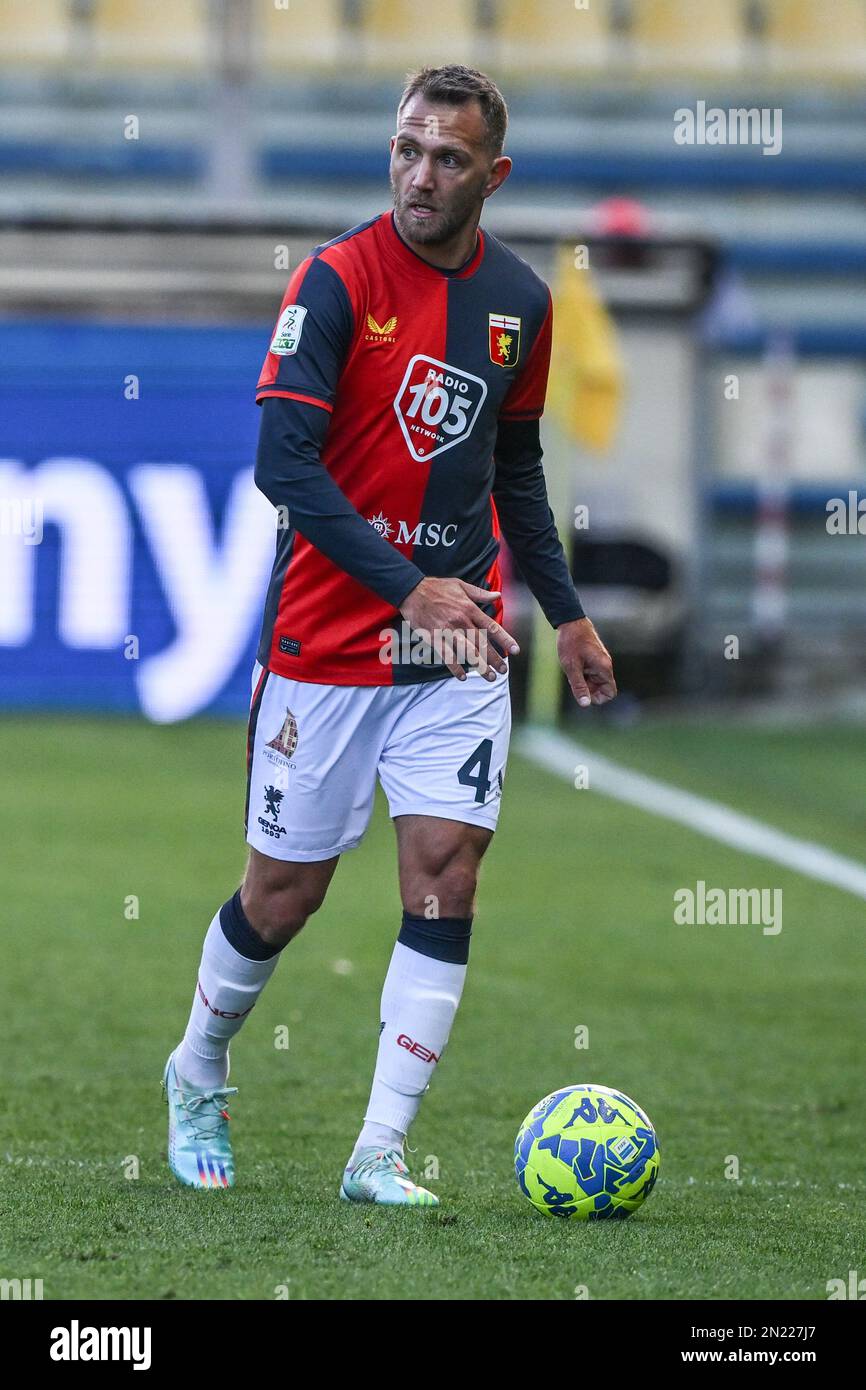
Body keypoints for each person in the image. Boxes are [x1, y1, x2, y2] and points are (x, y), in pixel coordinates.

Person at [163, 64, 616, 1204]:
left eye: (448, 157)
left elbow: (513, 466)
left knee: (443, 872)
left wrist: (562, 612)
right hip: (327, 640)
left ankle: (377, 1150)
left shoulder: (520, 302)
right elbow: (283, 465)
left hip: (449, 642)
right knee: (285, 895)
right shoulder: (332, 281)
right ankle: (198, 1066)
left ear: (492, 174)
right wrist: (406, 582)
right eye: (407, 148)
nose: (420, 174)